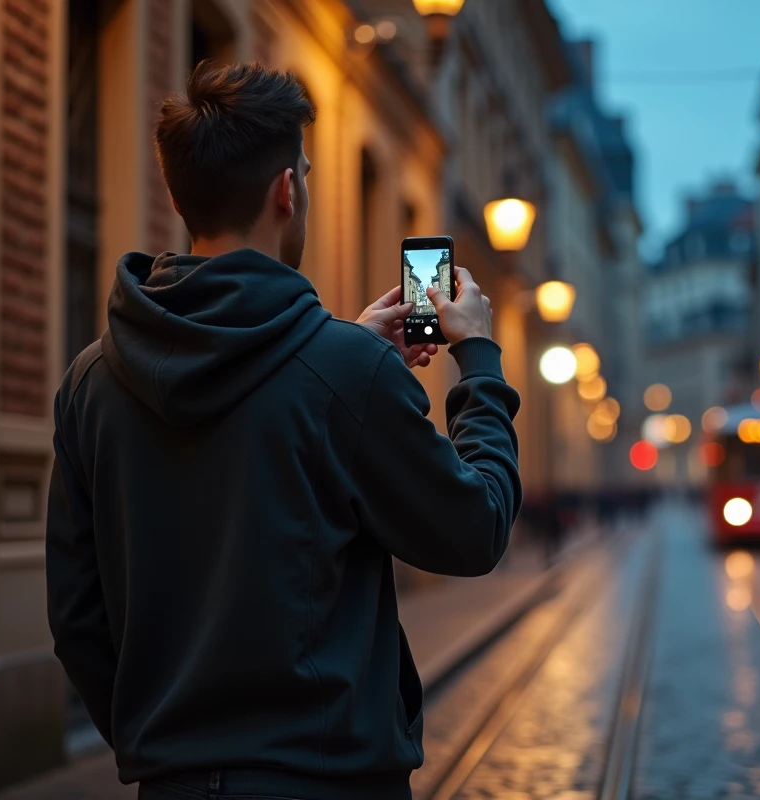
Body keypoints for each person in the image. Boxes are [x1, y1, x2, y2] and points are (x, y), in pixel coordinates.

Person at [45, 62, 522, 800]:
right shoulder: (344, 371)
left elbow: (77, 617)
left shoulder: (89, 380)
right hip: (329, 781)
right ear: (287, 190)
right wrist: (479, 363)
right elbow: (475, 528)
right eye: (303, 169)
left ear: (177, 195)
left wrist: (168, 744)